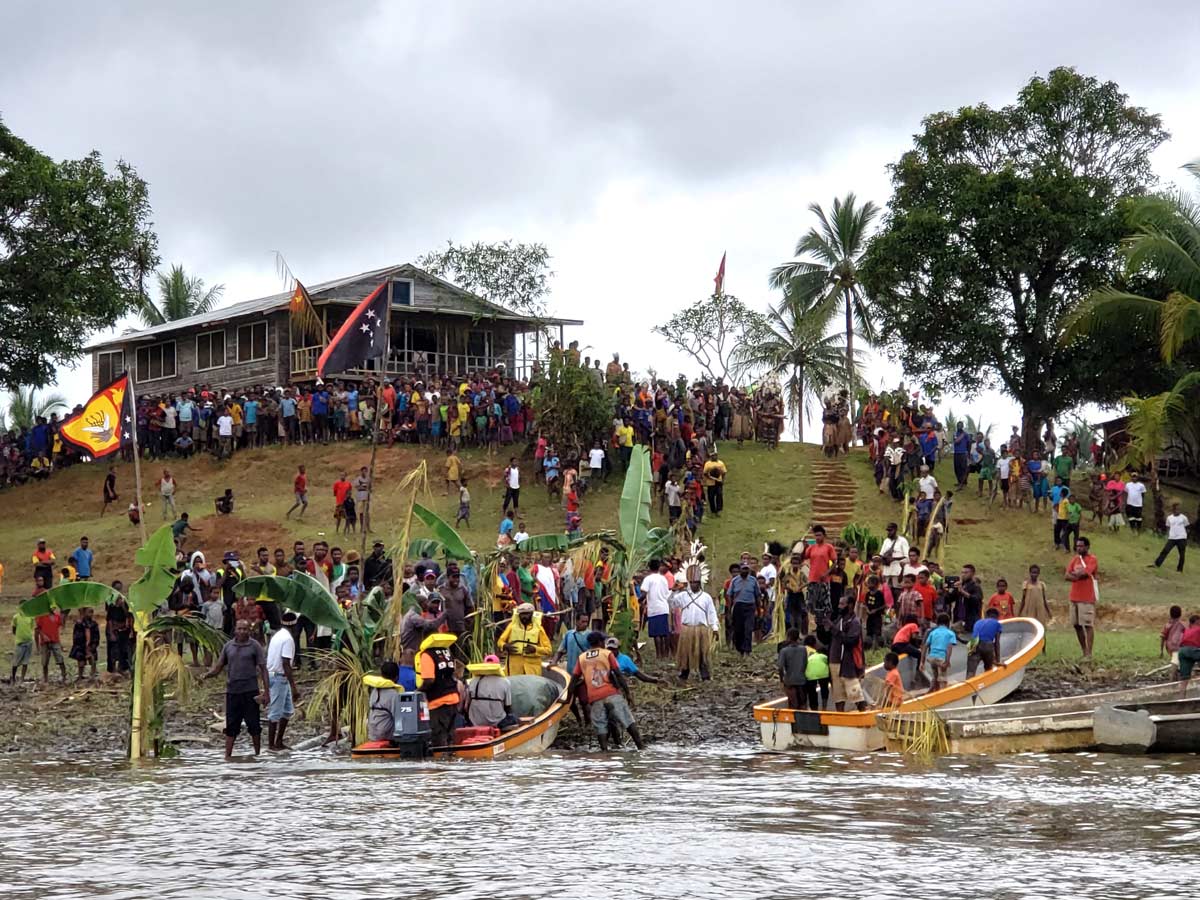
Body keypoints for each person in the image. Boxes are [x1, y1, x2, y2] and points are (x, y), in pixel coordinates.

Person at [201, 618, 270, 759]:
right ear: (235, 630)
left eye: (245, 629)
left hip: (251, 691)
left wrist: (266, 692)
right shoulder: (228, 646)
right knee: (232, 726)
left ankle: (257, 755)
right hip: (233, 691)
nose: (242, 631)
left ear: (249, 630)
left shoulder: (255, 646)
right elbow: (219, 667)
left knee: (254, 725)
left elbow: (263, 669)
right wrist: (206, 676)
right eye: (239, 629)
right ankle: (227, 757)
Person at [571, 631, 643, 751]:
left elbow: (574, 680)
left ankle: (604, 751)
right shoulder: (607, 654)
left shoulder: (582, 657)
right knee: (628, 720)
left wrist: (568, 698)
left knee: (601, 726)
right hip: (611, 693)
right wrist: (627, 693)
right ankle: (640, 747)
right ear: (600, 642)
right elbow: (618, 674)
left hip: (594, 696)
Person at [670, 568, 720, 680]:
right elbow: (672, 604)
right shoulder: (682, 596)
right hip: (687, 629)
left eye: (696, 582)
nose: (693, 585)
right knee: (685, 652)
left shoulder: (706, 597)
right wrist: (673, 591)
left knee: (702, 652)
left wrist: (715, 628)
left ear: (700, 583)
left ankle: (705, 675)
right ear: (688, 583)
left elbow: (711, 613)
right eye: (691, 582)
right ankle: (684, 673)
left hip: (701, 629)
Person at [417, 632, 460, 746]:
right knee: (450, 737)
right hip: (453, 698)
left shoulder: (427, 655)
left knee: (438, 739)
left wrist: (418, 691)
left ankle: (440, 762)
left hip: (438, 702)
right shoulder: (446, 652)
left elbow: (429, 680)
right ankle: (451, 760)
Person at [266, 611, 300, 751]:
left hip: (275, 675)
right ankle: (271, 745)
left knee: (287, 711)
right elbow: (286, 662)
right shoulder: (288, 639)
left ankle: (279, 741)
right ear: (295, 625)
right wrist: (294, 687)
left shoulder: (277, 635)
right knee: (275, 713)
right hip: (279, 677)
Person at [828, 595, 866, 712]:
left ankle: (864, 717)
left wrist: (833, 629)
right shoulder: (840, 619)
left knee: (856, 695)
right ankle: (840, 721)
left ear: (850, 605)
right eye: (839, 604)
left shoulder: (854, 622)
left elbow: (851, 641)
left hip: (847, 663)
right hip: (834, 662)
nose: (839, 607)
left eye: (842, 604)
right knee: (838, 697)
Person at [1065, 536, 1099, 660]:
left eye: (1081, 546)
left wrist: (1076, 574)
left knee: (1088, 625)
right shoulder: (1075, 559)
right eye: (1077, 546)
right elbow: (1066, 575)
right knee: (1076, 625)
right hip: (1074, 597)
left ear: (1087, 547)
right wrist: (1077, 575)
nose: (1079, 548)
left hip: (1087, 597)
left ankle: (1089, 653)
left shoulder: (1092, 559)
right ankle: (1084, 651)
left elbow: (1086, 573)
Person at [496, 603, 552, 675]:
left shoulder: (538, 629)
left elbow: (548, 650)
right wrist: (505, 646)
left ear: (532, 614)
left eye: (527, 614)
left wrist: (535, 649)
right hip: (514, 667)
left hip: (532, 668)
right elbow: (500, 641)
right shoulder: (512, 626)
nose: (524, 617)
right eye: (522, 614)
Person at [466, 655, 518, 730]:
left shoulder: (473, 681)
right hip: (498, 722)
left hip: (474, 722)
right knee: (514, 718)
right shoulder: (505, 682)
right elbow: (508, 707)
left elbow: (467, 704)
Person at [641, 559, 673, 659]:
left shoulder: (648, 579)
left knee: (656, 634)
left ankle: (659, 654)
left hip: (654, 608)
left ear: (649, 568)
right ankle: (666, 653)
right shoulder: (663, 579)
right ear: (659, 567)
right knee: (665, 632)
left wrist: (639, 600)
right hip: (664, 607)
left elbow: (644, 593)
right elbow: (667, 592)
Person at [727, 563, 762, 656]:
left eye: (747, 569)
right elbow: (729, 595)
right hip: (738, 606)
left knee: (748, 629)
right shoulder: (735, 581)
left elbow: (757, 595)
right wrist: (729, 610)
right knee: (739, 629)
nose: (745, 571)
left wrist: (759, 610)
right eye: (743, 569)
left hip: (750, 606)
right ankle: (740, 649)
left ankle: (747, 650)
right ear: (740, 570)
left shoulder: (753, 580)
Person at [35, 594, 68, 683]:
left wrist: (62, 609)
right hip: (45, 642)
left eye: (54, 608)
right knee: (45, 661)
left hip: (55, 641)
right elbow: (38, 629)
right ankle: (45, 678)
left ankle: (64, 676)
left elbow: (62, 622)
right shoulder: (42, 616)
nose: (53, 609)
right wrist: (43, 636)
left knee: (60, 659)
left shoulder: (57, 617)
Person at [922, 613, 958, 692]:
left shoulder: (933, 632)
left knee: (935, 677)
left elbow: (925, 646)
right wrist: (947, 661)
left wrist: (922, 662)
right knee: (943, 679)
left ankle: (931, 692)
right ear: (948, 623)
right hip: (941, 658)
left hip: (931, 658)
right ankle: (942, 695)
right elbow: (949, 648)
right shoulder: (950, 633)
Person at [1153, 501, 1190, 573]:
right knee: (1165, 551)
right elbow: (1168, 527)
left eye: (1179, 509)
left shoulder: (1183, 518)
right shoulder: (1169, 518)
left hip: (1181, 538)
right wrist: (1169, 535)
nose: (1178, 511)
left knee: (1182, 554)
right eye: (1176, 509)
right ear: (1173, 510)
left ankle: (1179, 569)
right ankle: (1157, 564)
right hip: (1172, 538)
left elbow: (1187, 527)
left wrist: (1185, 536)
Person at [967, 608, 1005, 676]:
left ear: (986, 615)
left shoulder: (978, 622)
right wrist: (998, 660)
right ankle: (987, 682)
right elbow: (997, 643)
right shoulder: (997, 624)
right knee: (988, 670)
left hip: (972, 643)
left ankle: (968, 684)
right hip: (986, 643)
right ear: (997, 617)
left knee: (970, 671)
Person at [777, 628, 808, 710]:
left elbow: (780, 667)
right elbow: (805, 663)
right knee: (802, 703)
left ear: (789, 637)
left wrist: (781, 680)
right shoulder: (803, 649)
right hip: (801, 679)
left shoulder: (784, 651)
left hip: (789, 680)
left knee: (792, 703)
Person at [69, 607, 100, 679]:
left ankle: (93, 675)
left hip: (91, 645)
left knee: (93, 660)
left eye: (92, 612)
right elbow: (76, 636)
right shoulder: (79, 624)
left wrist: (93, 645)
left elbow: (96, 636)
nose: (91, 614)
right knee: (81, 662)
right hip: (81, 645)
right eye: (89, 612)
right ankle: (80, 676)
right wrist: (81, 646)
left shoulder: (94, 624)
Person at [802, 635, 831, 711]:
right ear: (815, 644)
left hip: (810, 674)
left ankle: (814, 708)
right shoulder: (819, 651)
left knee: (812, 691)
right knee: (824, 688)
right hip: (823, 673)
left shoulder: (802, 650)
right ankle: (824, 707)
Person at [11, 605, 34, 683]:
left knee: (25, 662)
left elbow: (31, 627)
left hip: (29, 641)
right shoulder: (16, 617)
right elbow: (13, 629)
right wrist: (19, 636)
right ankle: (13, 678)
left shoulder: (31, 617)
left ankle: (22, 678)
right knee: (16, 661)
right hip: (20, 642)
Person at [1161, 605, 1185, 676]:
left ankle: (1175, 677)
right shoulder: (1182, 625)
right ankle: (1172, 679)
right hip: (1179, 646)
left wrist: (1161, 650)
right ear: (1180, 614)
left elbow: (1163, 637)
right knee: (1176, 661)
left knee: (1175, 660)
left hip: (1170, 647)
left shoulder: (1167, 625)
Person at [702, 450, 727, 516]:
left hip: (718, 482)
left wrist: (723, 480)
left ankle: (719, 509)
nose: (714, 457)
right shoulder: (707, 464)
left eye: (715, 455)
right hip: (710, 483)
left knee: (719, 495)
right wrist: (710, 478)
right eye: (713, 456)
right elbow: (705, 473)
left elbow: (724, 472)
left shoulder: (721, 463)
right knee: (711, 496)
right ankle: (713, 510)